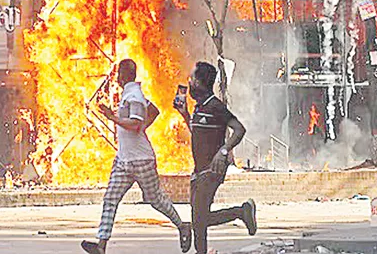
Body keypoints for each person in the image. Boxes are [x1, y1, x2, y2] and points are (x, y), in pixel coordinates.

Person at [82, 59, 192, 254]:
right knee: (110, 199)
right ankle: (101, 245)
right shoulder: (131, 94)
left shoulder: (134, 96)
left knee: (155, 199)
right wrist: (142, 127)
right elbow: (154, 111)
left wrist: (112, 117)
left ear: (124, 75)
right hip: (123, 160)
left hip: (141, 160)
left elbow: (134, 123)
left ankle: (183, 226)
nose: (116, 78)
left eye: (118, 74)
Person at [174, 61, 257, 254]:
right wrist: (185, 114)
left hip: (212, 169)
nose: (189, 81)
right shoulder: (198, 107)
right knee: (198, 219)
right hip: (199, 170)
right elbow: (197, 132)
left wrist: (224, 151)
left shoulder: (215, 106)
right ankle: (241, 212)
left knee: (199, 219)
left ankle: (241, 211)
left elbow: (239, 129)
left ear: (200, 82)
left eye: (192, 78)